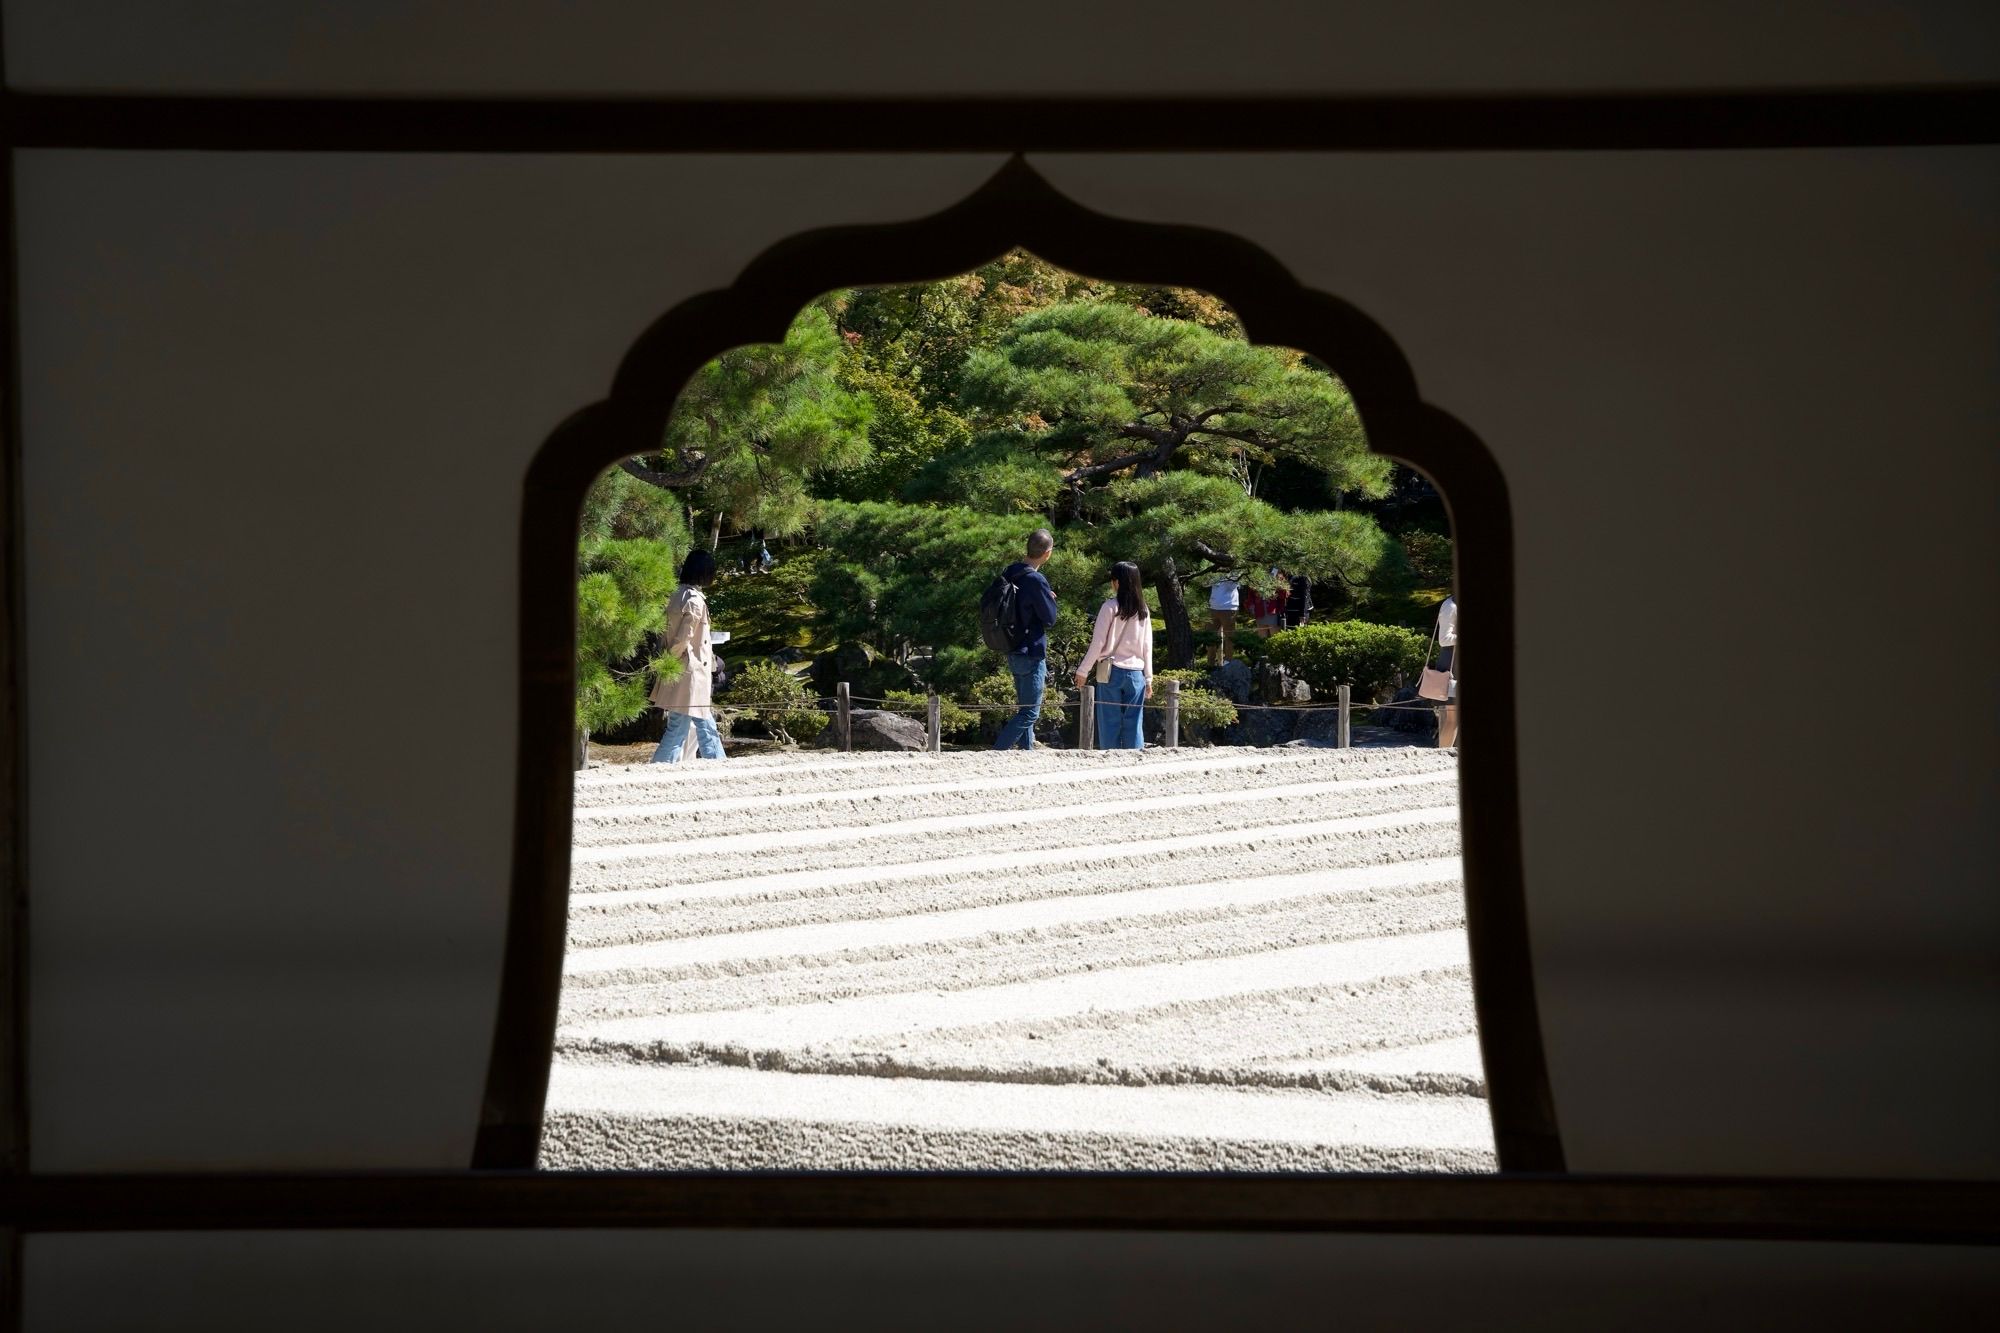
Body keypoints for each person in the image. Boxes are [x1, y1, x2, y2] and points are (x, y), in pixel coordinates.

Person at [649, 548, 726, 763]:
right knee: (695, 723)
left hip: (678, 668)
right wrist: (672, 659)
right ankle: (717, 763)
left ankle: (662, 767)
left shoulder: (675, 595)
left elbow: (666, 633)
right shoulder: (695, 600)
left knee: (686, 724)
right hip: (691, 670)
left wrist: (666, 662)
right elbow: (685, 638)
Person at [1074, 561, 1154, 750]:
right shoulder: (1144, 610)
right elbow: (1147, 646)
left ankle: (1109, 761)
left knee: (1109, 721)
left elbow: (1098, 643)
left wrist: (1083, 670)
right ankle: (1134, 762)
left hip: (1110, 671)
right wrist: (1149, 678)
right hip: (1136, 673)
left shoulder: (1110, 607)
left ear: (1116, 582)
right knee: (1134, 723)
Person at [993, 529, 1060, 750]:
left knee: (1024, 707)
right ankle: (997, 751)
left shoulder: (1010, 572)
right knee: (1031, 712)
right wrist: (1050, 599)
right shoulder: (1035, 580)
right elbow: (1049, 618)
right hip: (1031, 650)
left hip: (1011, 646)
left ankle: (1027, 751)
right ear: (1047, 553)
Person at [1433, 593, 1459, 747]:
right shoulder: (1450, 605)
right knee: (1452, 718)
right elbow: (1443, 640)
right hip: (1451, 667)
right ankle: (1441, 757)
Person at [1208, 575, 1240, 663]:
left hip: (1229, 606)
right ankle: (1210, 663)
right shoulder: (1213, 569)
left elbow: (1233, 584)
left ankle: (1228, 663)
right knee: (1210, 636)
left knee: (1229, 637)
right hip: (1213, 606)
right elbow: (1204, 583)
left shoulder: (1235, 570)